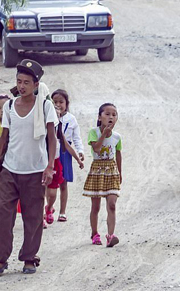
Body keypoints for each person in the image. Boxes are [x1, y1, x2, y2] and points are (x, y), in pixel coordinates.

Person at [0, 59, 58, 275]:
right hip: (10, 169)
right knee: (4, 215)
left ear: (36, 85)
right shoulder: (10, 105)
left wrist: (49, 167)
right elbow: (4, 137)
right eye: (19, 81)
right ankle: (0, 260)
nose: (22, 86)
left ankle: (29, 257)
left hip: (35, 171)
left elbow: (51, 138)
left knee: (32, 217)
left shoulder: (45, 106)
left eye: (26, 82)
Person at [83, 103, 122, 248]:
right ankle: (95, 233)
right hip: (97, 169)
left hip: (111, 170)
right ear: (99, 117)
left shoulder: (117, 137)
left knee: (112, 204)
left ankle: (110, 236)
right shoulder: (94, 132)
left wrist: (120, 172)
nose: (111, 117)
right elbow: (97, 149)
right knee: (96, 206)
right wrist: (104, 134)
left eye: (114, 114)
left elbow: (118, 154)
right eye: (107, 114)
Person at [44, 91, 84, 226]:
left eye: (61, 102)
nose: (58, 105)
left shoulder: (71, 119)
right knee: (47, 182)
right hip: (49, 153)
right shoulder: (48, 118)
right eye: (54, 102)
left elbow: (75, 138)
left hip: (64, 153)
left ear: (67, 104)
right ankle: (48, 207)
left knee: (64, 183)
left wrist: (80, 153)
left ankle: (62, 211)